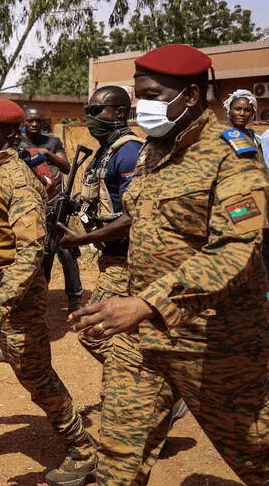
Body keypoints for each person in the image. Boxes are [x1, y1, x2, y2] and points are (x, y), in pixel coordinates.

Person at [72, 44, 269, 486]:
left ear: (191, 97)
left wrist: (147, 303)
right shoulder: (153, 151)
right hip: (143, 339)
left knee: (257, 458)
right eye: (139, 94)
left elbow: (236, 250)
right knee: (117, 460)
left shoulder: (233, 156)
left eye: (153, 93)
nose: (143, 106)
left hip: (217, 342)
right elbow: (143, 221)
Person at [0, 97, 97, 486]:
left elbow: (30, 253)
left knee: (38, 379)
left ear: (9, 133)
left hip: (13, 303)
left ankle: (83, 449)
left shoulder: (16, 179)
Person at [60, 86, 143, 363]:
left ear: (120, 112)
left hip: (125, 259)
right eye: (88, 111)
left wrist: (81, 240)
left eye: (97, 111)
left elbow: (132, 217)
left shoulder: (130, 152)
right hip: (110, 256)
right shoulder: (104, 151)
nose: (90, 117)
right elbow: (100, 200)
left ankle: (136, 384)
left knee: (92, 332)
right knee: (125, 334)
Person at [18, 105, 83, 313]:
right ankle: (39, 297)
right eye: (30, 121)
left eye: (38, 121)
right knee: (39, 254)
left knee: (65, 251)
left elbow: (66, 167)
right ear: (24, 122)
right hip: (29, 207)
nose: (35, 124)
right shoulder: (16, 144)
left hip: (56, 205)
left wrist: (47, 154)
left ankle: (74, 299)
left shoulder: (52, 142)